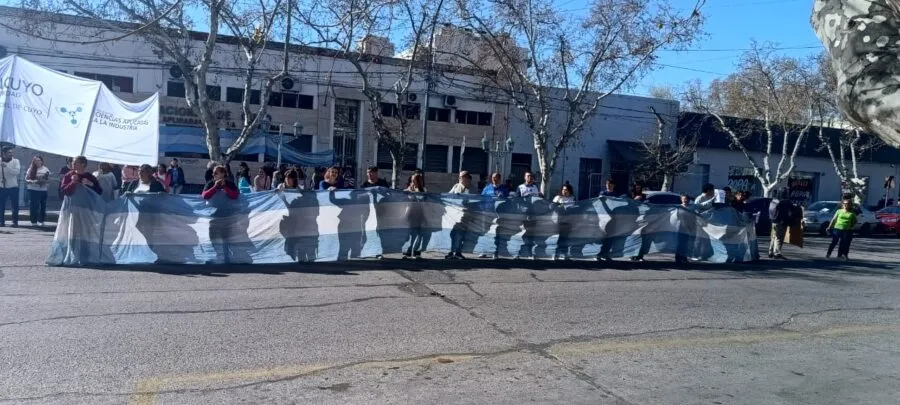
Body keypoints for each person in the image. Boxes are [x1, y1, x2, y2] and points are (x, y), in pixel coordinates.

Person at [552, 183, 577, 260]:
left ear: (569, 190)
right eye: (563, 189)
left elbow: (575, 207)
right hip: (559, 220)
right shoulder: (558, 198)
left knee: (566, 238)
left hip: (569, 221)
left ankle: (564, 253)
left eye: (566, 190)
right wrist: (558, 206)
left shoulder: (572, 198)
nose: (564, 191)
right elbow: (551, 206)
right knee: (561, 237)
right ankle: (557, 253)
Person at [25, 155, 51, 227]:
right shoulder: (30, 169)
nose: (37, 162)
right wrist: (32, 181)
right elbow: (26, 179)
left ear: (42, 161)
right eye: (35, 160)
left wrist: (44, 181)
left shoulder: (46, 169)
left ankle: (41, 220)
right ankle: (33, 221)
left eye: (39, 160)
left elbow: (49, 179)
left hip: (43, 190)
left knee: (43, 205)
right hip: (33, 189)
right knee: (34, 206)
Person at [768, 190, 794, 259]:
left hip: (773, 221)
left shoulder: (774, 201)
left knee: (773, 237)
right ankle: (776, 253)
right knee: (779, 238)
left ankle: (770, 251)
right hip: (781, 222)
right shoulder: (785, 202)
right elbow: (788, 213)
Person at [0, 146, 21, 227]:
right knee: (1, 205)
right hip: (2, 186)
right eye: (9, 152)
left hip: (13, 186)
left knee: (15, 206)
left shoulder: (16, 161)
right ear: (3, 153)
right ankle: (1, 221)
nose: (11, 154)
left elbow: (16, 172)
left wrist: (6, 166)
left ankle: (15, 222)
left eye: (12, 152)